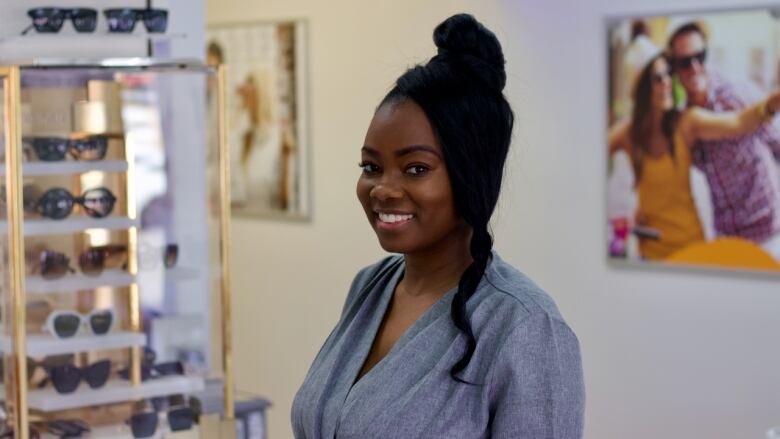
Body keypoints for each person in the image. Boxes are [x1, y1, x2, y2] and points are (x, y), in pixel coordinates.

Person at [292, 14, 584, 438]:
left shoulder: (524, 325)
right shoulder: (370, 288)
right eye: (371, 166)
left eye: (415, 168)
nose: (383, 190)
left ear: (471, 174)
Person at [610, 53, 780, 260]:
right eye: (657, 78)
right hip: (650, 252)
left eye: (668, 75)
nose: (666, 82)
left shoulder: (686, 122)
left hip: (689, 247)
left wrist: (770, 104)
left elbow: (738, 122)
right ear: (642, 87)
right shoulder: (629, 133)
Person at [667, 22, 780, 259]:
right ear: (675, 67)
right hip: (726, 237)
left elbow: (776, 142)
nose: (695, 67)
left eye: (700, 56)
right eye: (685, 62)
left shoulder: (735, 93)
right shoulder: (684, 121)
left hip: (767, 230)